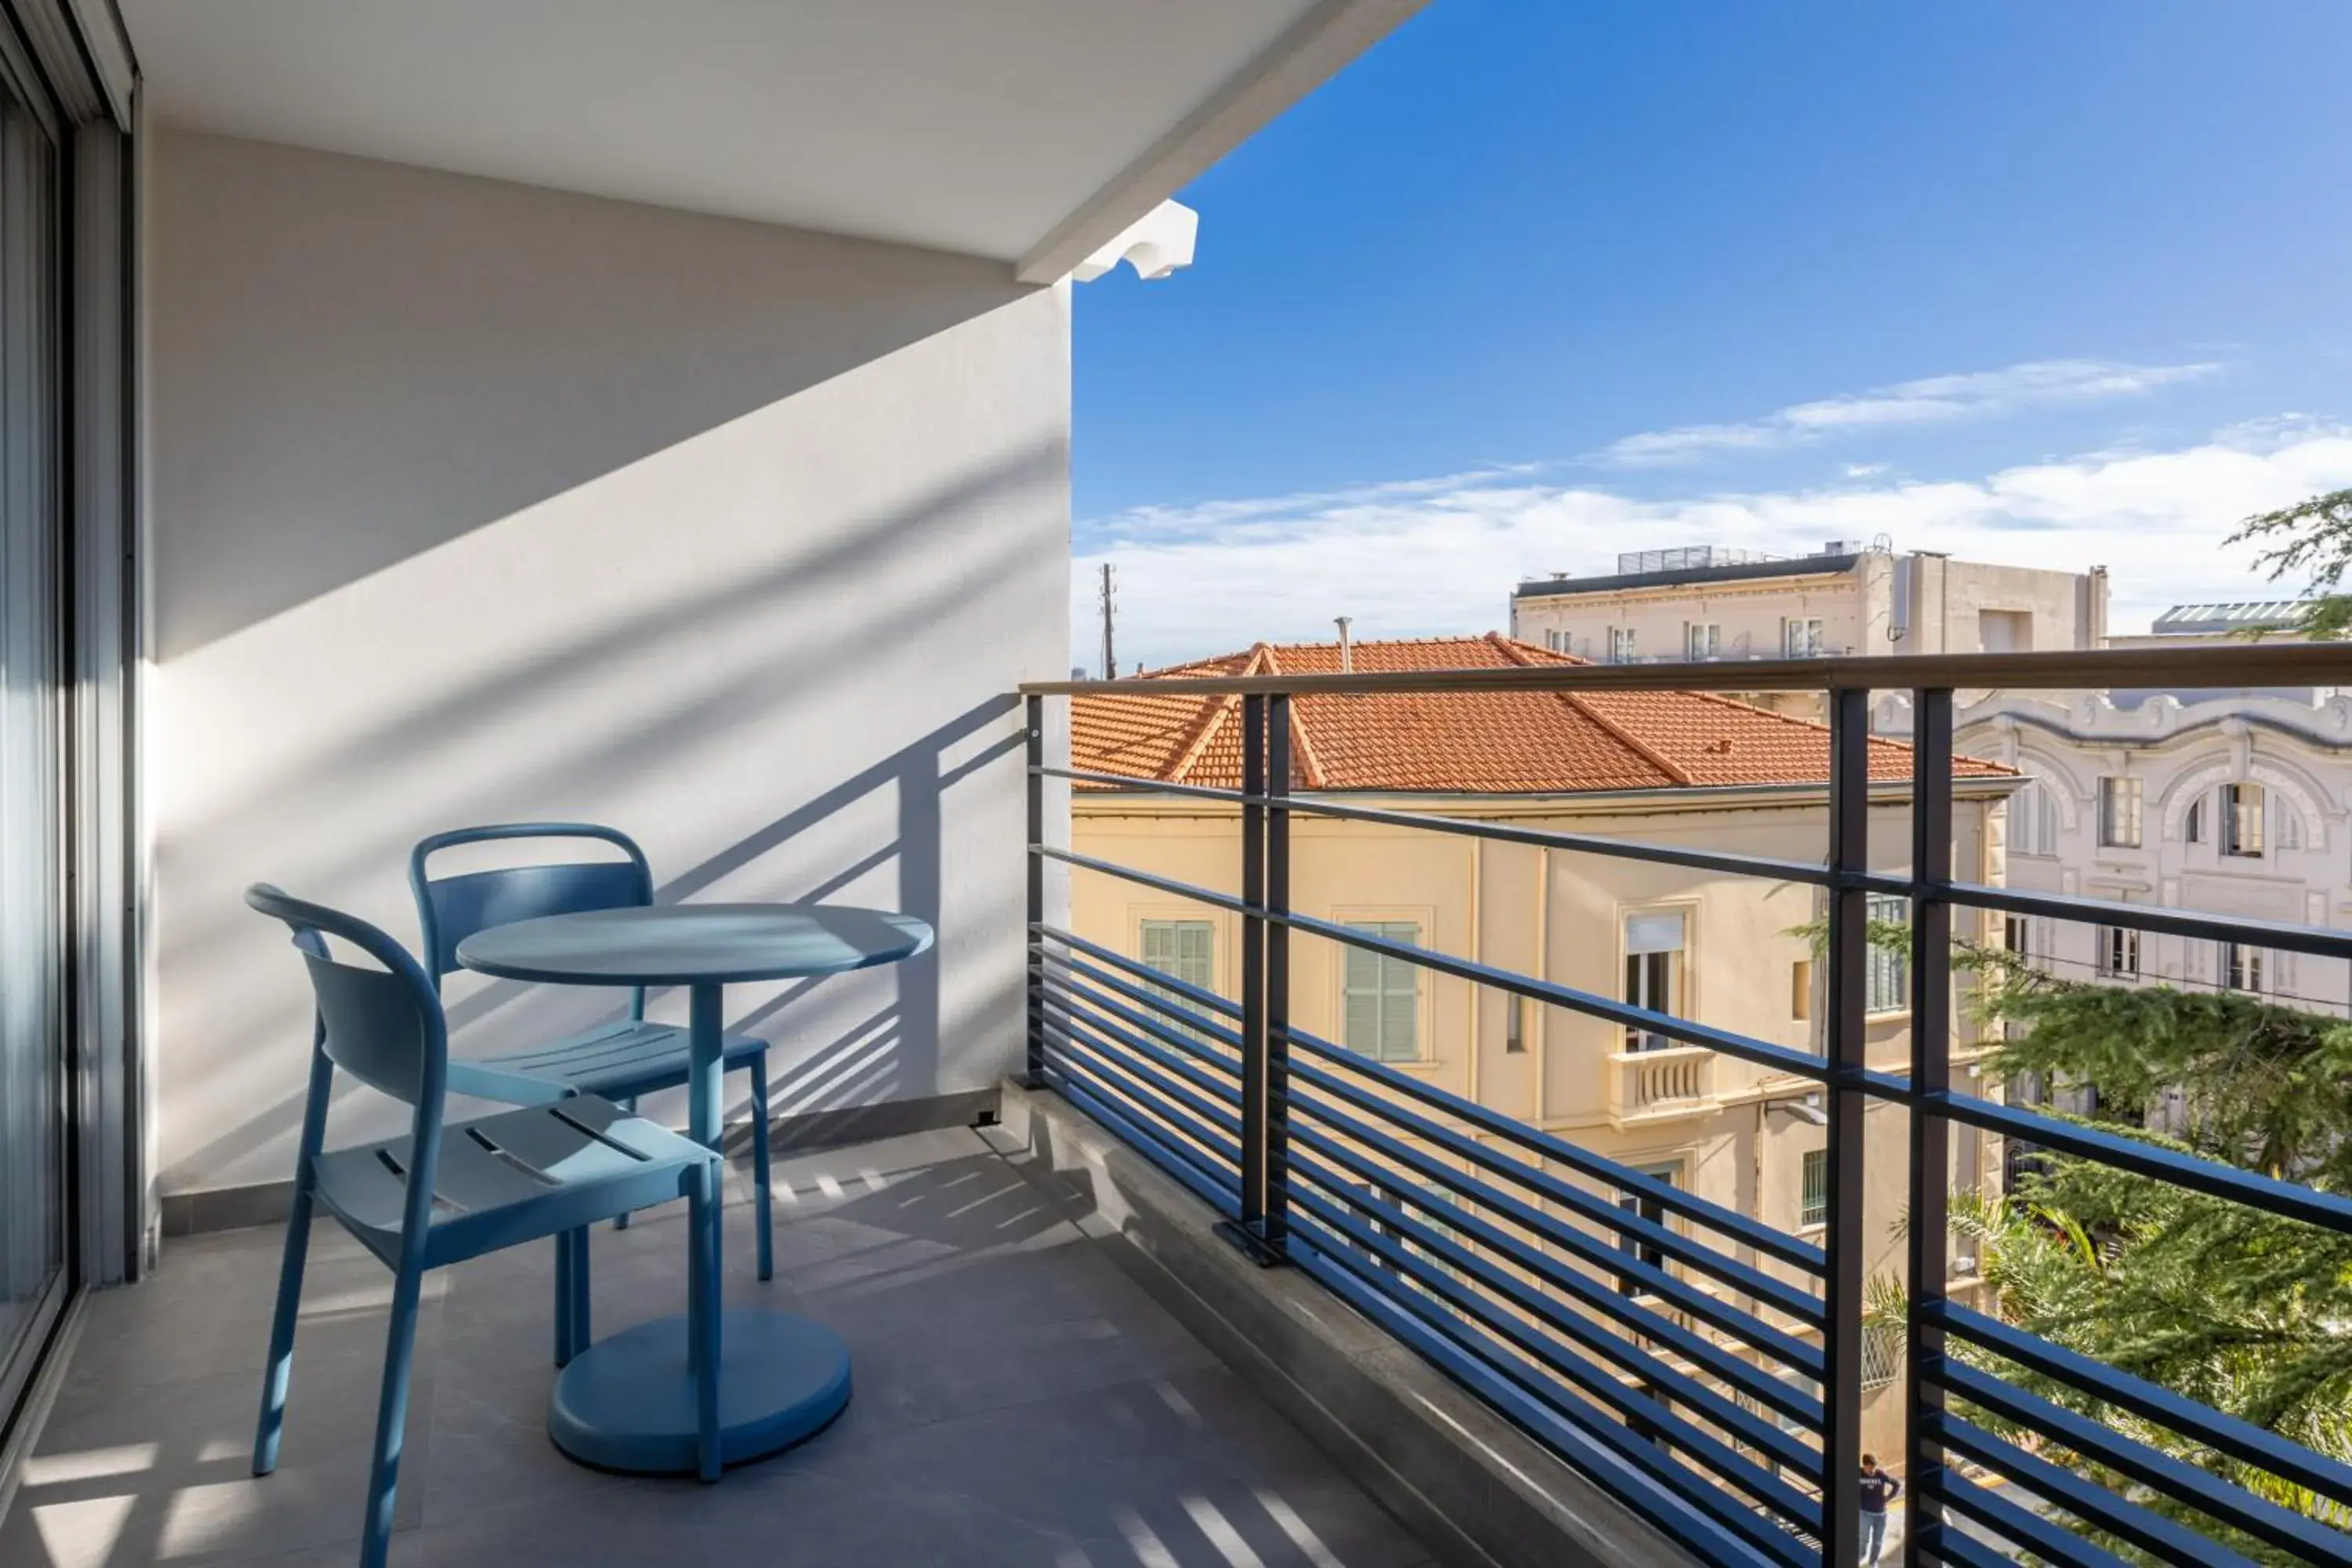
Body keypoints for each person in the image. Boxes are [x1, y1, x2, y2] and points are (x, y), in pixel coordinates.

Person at [1859, 1454, 1902, 1565]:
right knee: (1864, 1538)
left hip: (1880, 1514)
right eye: (1870, 1467)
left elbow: (1896, 1484)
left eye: (1874, 1466)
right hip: (1865, 1513)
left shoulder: (1880, 1475)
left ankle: (1873, 1562)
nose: (1872, 1469)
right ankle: (1861, 1555)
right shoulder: (1858, 1474)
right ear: (1865, 1465)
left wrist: (1888, 1498)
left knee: (1877, 1541)